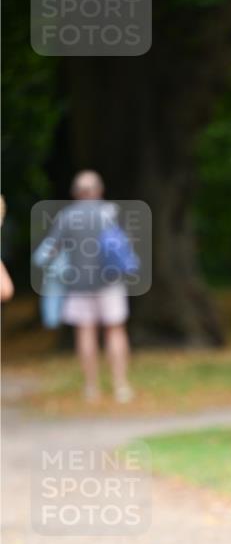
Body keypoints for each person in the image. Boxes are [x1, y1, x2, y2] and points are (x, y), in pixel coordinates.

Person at [44, 170, 134, 403]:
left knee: (85, 332)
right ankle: (121, 386)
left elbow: (49, 250)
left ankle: (91, 388)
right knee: (115, 330)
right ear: (99, 190)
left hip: (79, 284)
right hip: (111, 282)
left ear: (75, 193)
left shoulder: (67, 216)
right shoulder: (111, 212)